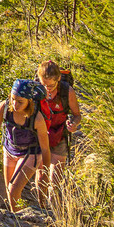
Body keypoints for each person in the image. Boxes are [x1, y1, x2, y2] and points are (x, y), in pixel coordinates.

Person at [0, 79, 52, 212]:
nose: (15, 104)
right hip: (9, 150)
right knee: (9, 192)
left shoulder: (37, 118)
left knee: (13, 190)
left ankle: (21, 218)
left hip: (30, 153)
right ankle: (17, 217)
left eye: (20, 101)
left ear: (29, 101)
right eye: (13, 99)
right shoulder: (4, 107)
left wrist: (45, 172)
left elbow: (45, 148)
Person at [36, 60, 82, 190]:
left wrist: (73, 124)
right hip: (40, 136)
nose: (47, 88)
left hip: (60, 135)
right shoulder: (36, 91)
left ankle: (53, 202)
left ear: (59, 79)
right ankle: (40, 202)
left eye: (51, 85)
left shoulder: (67, 92)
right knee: (41, 178)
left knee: (55, 181)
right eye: (44, 84)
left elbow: (77, 115)